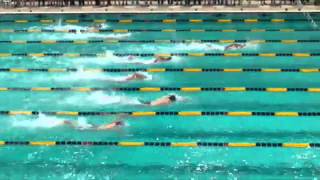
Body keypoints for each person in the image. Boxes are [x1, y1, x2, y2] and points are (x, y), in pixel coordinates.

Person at [61, 115, 126, 130]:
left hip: (94, 126)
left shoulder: (112, 125)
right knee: (80, 125)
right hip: (94, 127)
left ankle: (66, 121)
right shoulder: (110, 126)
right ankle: (65, 121)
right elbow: (110, 126)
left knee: (79, 125)